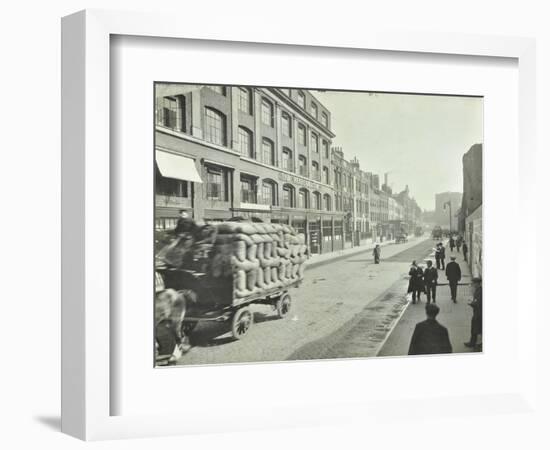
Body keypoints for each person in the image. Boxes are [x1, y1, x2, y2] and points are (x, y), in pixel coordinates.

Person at [464, 277, 482, 350]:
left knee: (477, 330)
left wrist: (471, 303)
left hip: (478, 314)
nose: (472, 284)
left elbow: (478, 303)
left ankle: (476, 345)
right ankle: (472, 343)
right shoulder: (478, 290)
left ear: (477, 283)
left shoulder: (480, 291)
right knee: (474, 329)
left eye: (473, 283)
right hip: (477, 313)